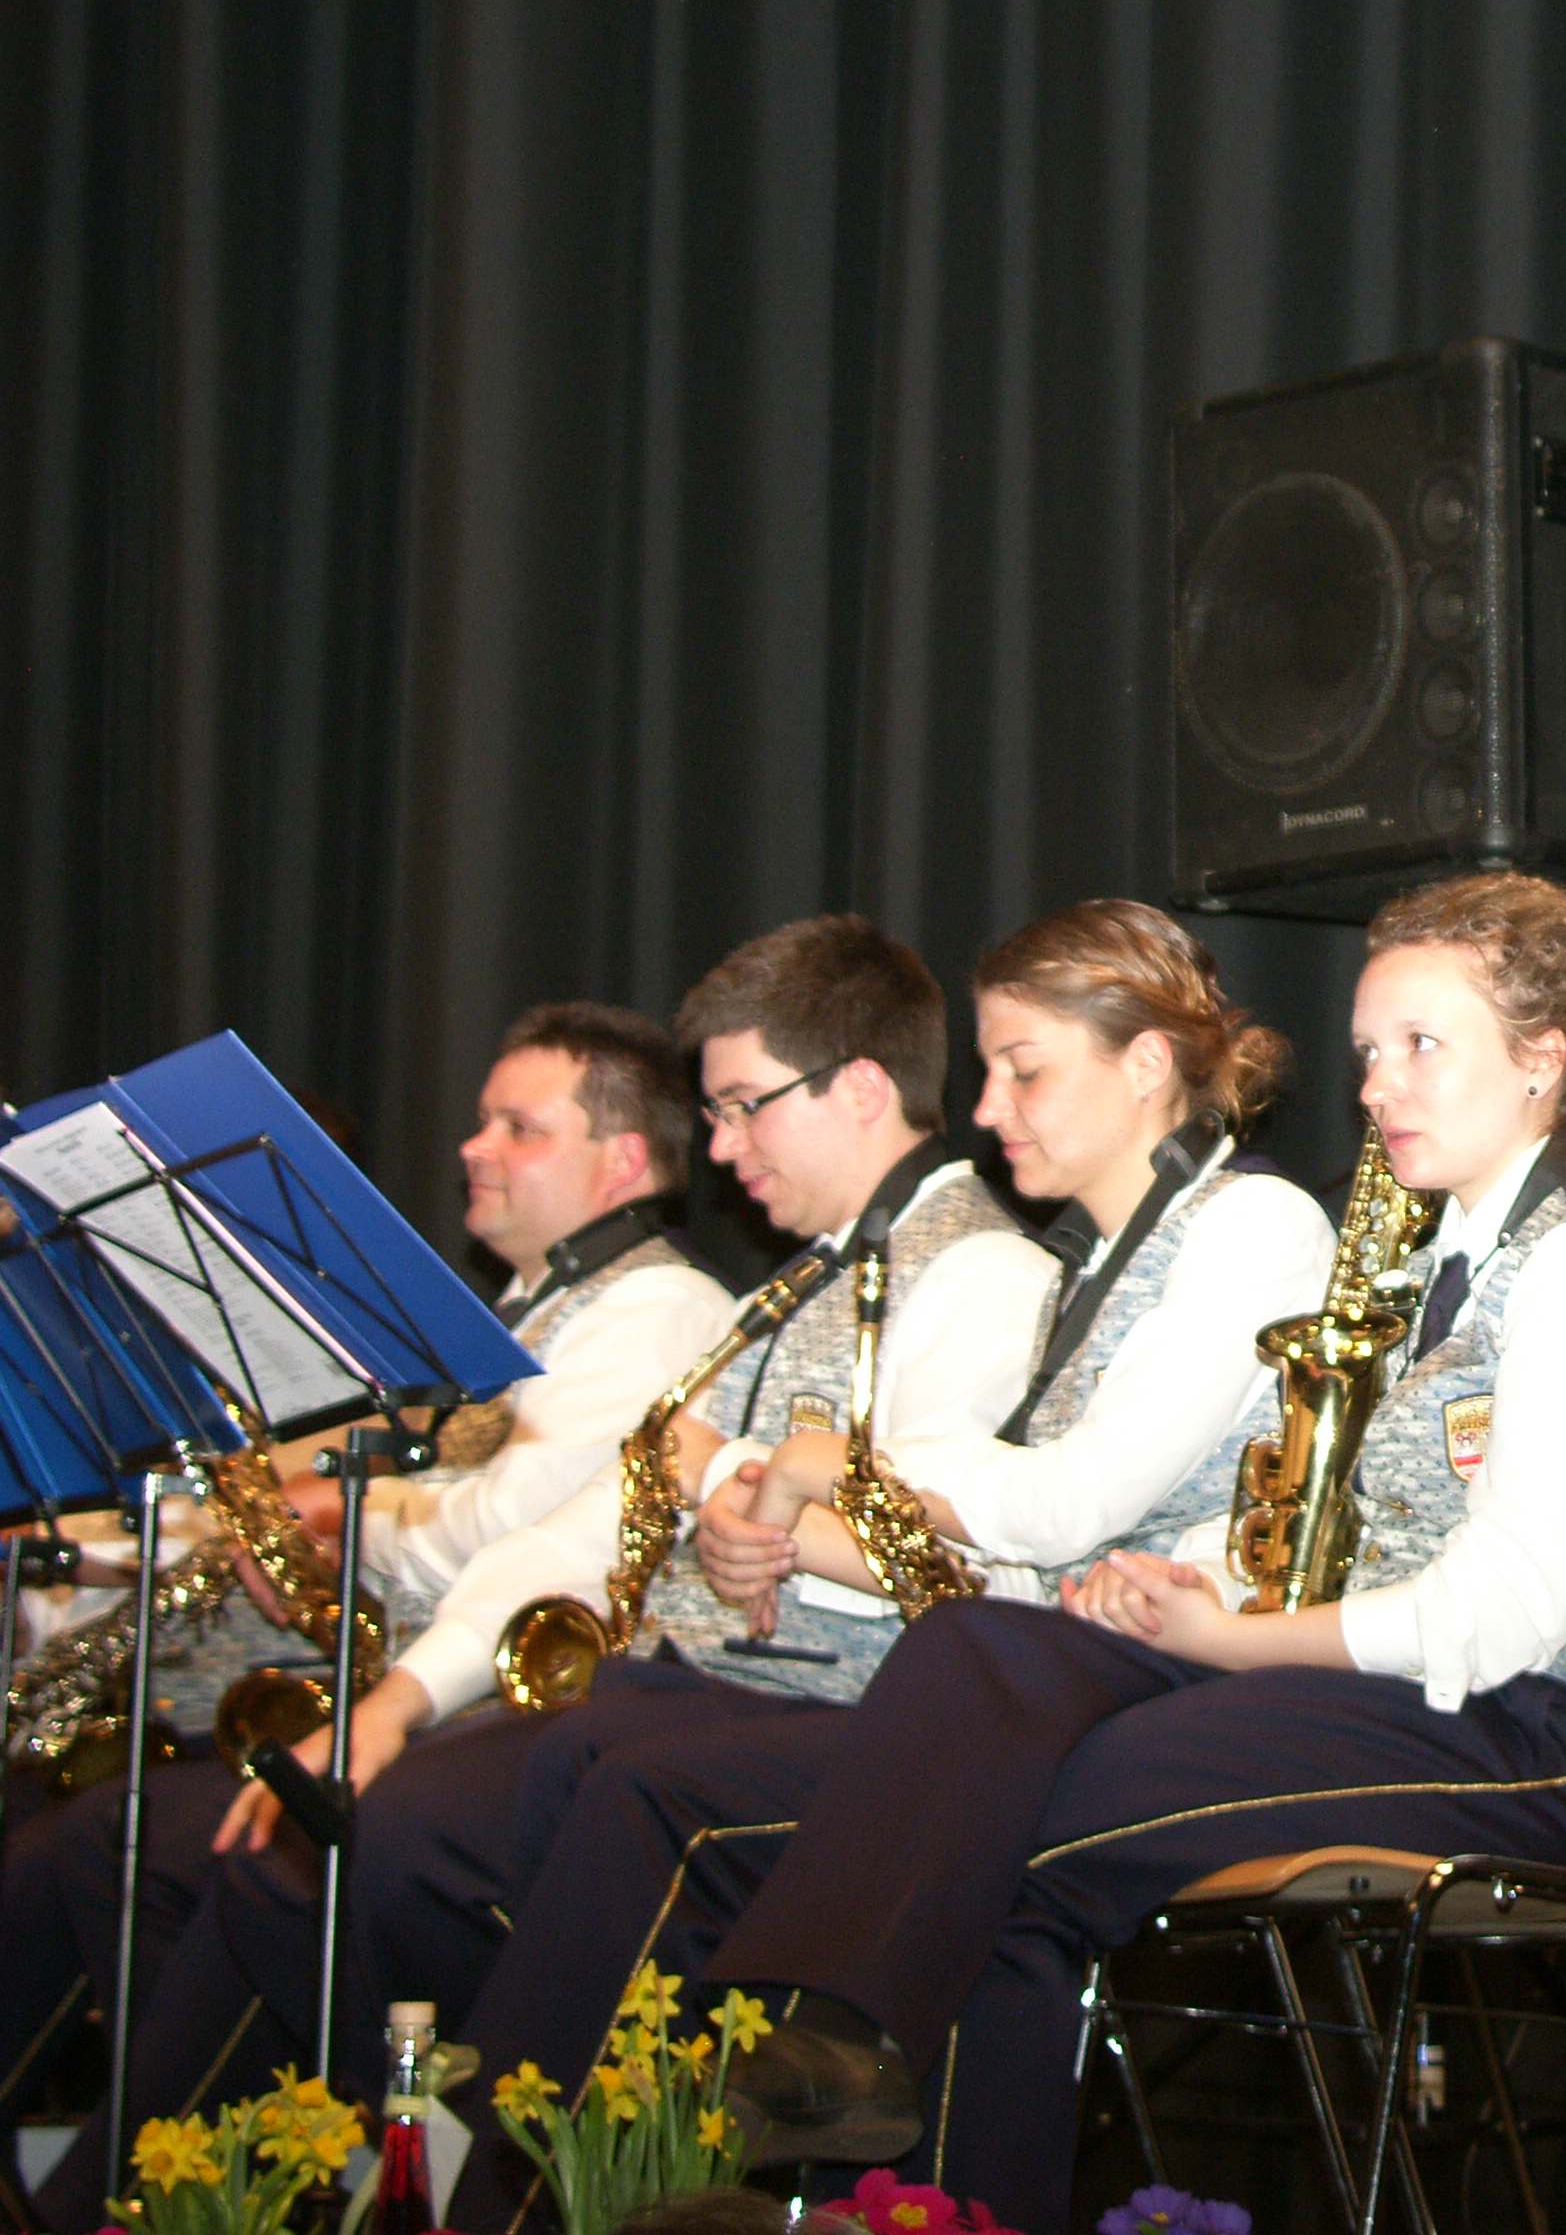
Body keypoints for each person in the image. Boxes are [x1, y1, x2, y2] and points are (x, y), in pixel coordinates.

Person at [488, 873, 1566, 2235]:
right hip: (1400, 1693)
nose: (1379, 1087)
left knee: (1012, 1809)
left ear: (1543, 1060)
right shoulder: (1444, 1262)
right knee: (984, 1654)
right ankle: (852, 2082)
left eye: (1421, 1047)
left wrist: (1230, 1639)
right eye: (1369, 1051)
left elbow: (1507, 1613)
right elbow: (1337, 1523)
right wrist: (1189, 1578)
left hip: (1548, 1742)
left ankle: (849, 2082)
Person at [28, 918, 1053, 2235]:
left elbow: (942, 1570)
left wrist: (740, 1486)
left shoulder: (976, 1272)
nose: (719, 1151)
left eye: (742, 1106)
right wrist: (399, 1700)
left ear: (858, 1088)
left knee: (379, 1855)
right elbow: (585, 1526)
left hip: (802, 1724)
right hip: (674, 1697)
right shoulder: (797, 1287)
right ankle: (230, 2194)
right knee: (309, 1849)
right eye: (714, 1113)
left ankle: (424, 2184)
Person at [428, 900, 1333, 2229]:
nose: (988, 1107)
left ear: (1146, 1065)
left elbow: (1070, 1503)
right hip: (1039, 1674)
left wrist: (828, 1473)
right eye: (989, 1069)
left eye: (1023, 1069)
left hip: (1167, 1686)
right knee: (618, 1759)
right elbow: (1014, 1556)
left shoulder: (1254, 1226)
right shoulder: (1086, 1262)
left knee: (657, 1795)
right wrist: (821, 1500)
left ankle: (791, 2059)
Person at [0, 1004, 728, 2188]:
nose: (473, 1147)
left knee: (147, 1845)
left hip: (496, 1723)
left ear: (625, 1161)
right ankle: (170, 2186)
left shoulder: (657, 1310)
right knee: (110, 1847)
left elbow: (505, 1528)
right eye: (482, 1120)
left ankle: (179, 2190)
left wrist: (349, 1512)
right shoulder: (522, 1311)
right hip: (423, 1710)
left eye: (519, 1127)